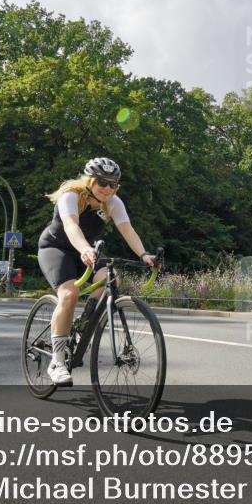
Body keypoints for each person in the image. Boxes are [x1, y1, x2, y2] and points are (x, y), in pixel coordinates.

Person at [37, 157, 156, 386]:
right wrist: (84, 248)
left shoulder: (113, 202)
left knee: (110, 280)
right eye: (102, 182)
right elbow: (71, 225)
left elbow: (127, 229)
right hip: (57, 247)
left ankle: (83, 325)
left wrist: (144, 255)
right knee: (69, 294)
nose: (107, 188)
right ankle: (57, 361)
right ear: (89, 180)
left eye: (113, 184)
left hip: (87, 250)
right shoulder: (71, 195)